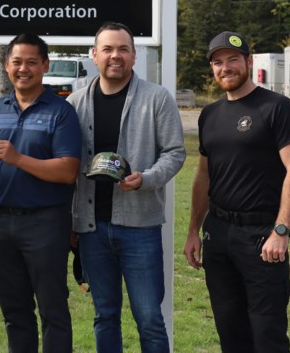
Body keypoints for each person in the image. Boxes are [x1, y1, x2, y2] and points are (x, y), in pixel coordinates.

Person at [0, 33, 82, 353]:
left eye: (32, 62)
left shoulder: (61, 112)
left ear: (45, 65)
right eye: (17, 62)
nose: (24, 69)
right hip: (2, 224)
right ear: (7, 65)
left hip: (47, 223)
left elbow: (67, 171)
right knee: (15, 313)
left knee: (53, 312)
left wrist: (17, 158)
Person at [183, 31, 290, 353]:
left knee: (267, 334)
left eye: (233, 60)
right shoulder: (209, 115)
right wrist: (193, 230)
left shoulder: (278, 108)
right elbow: (203, 175)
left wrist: (281, 230)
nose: (226, 68)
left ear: (249, 62)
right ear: (212, 69)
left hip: (261, 237)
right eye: (218, 62)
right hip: (219, 235)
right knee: (230, 330)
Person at [68, 22, 186, 353]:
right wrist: (70, 220)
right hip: (91, 229)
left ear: (134, 56)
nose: (115, 56)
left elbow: (175, 152)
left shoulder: (157, 98)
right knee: (105, 315)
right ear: (94, 55)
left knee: (149, 317)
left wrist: (146, 179)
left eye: (123, 49)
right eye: (107, 49)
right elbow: (67, 166)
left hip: (139, 227)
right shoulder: (75, 104)